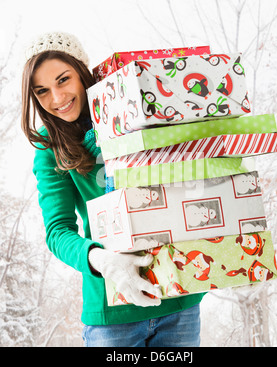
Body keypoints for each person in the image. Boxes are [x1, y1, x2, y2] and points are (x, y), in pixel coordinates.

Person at [21, 31, 205, 347]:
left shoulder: (131, 108)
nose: (57, 98)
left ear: (81, 72)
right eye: (42, 91)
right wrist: (102, 260)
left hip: (179, 298)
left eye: (63, 80)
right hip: (112, 311)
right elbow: (57, 231)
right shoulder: (51, 146)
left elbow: (187, 174)